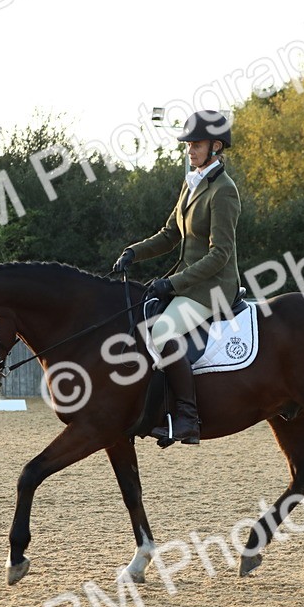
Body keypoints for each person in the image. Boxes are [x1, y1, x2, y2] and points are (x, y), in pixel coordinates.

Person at [110, 110, 242, 445]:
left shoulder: (224, 191)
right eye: (188, 144)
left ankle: (187, 417)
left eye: (196, 144)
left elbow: (220, 254)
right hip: (189, 283)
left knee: (163, 330)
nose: (189, 150)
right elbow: (170, 234)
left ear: (216, 146)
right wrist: (133, 252)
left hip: (213, 287)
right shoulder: (191, 182)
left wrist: (173, 284)